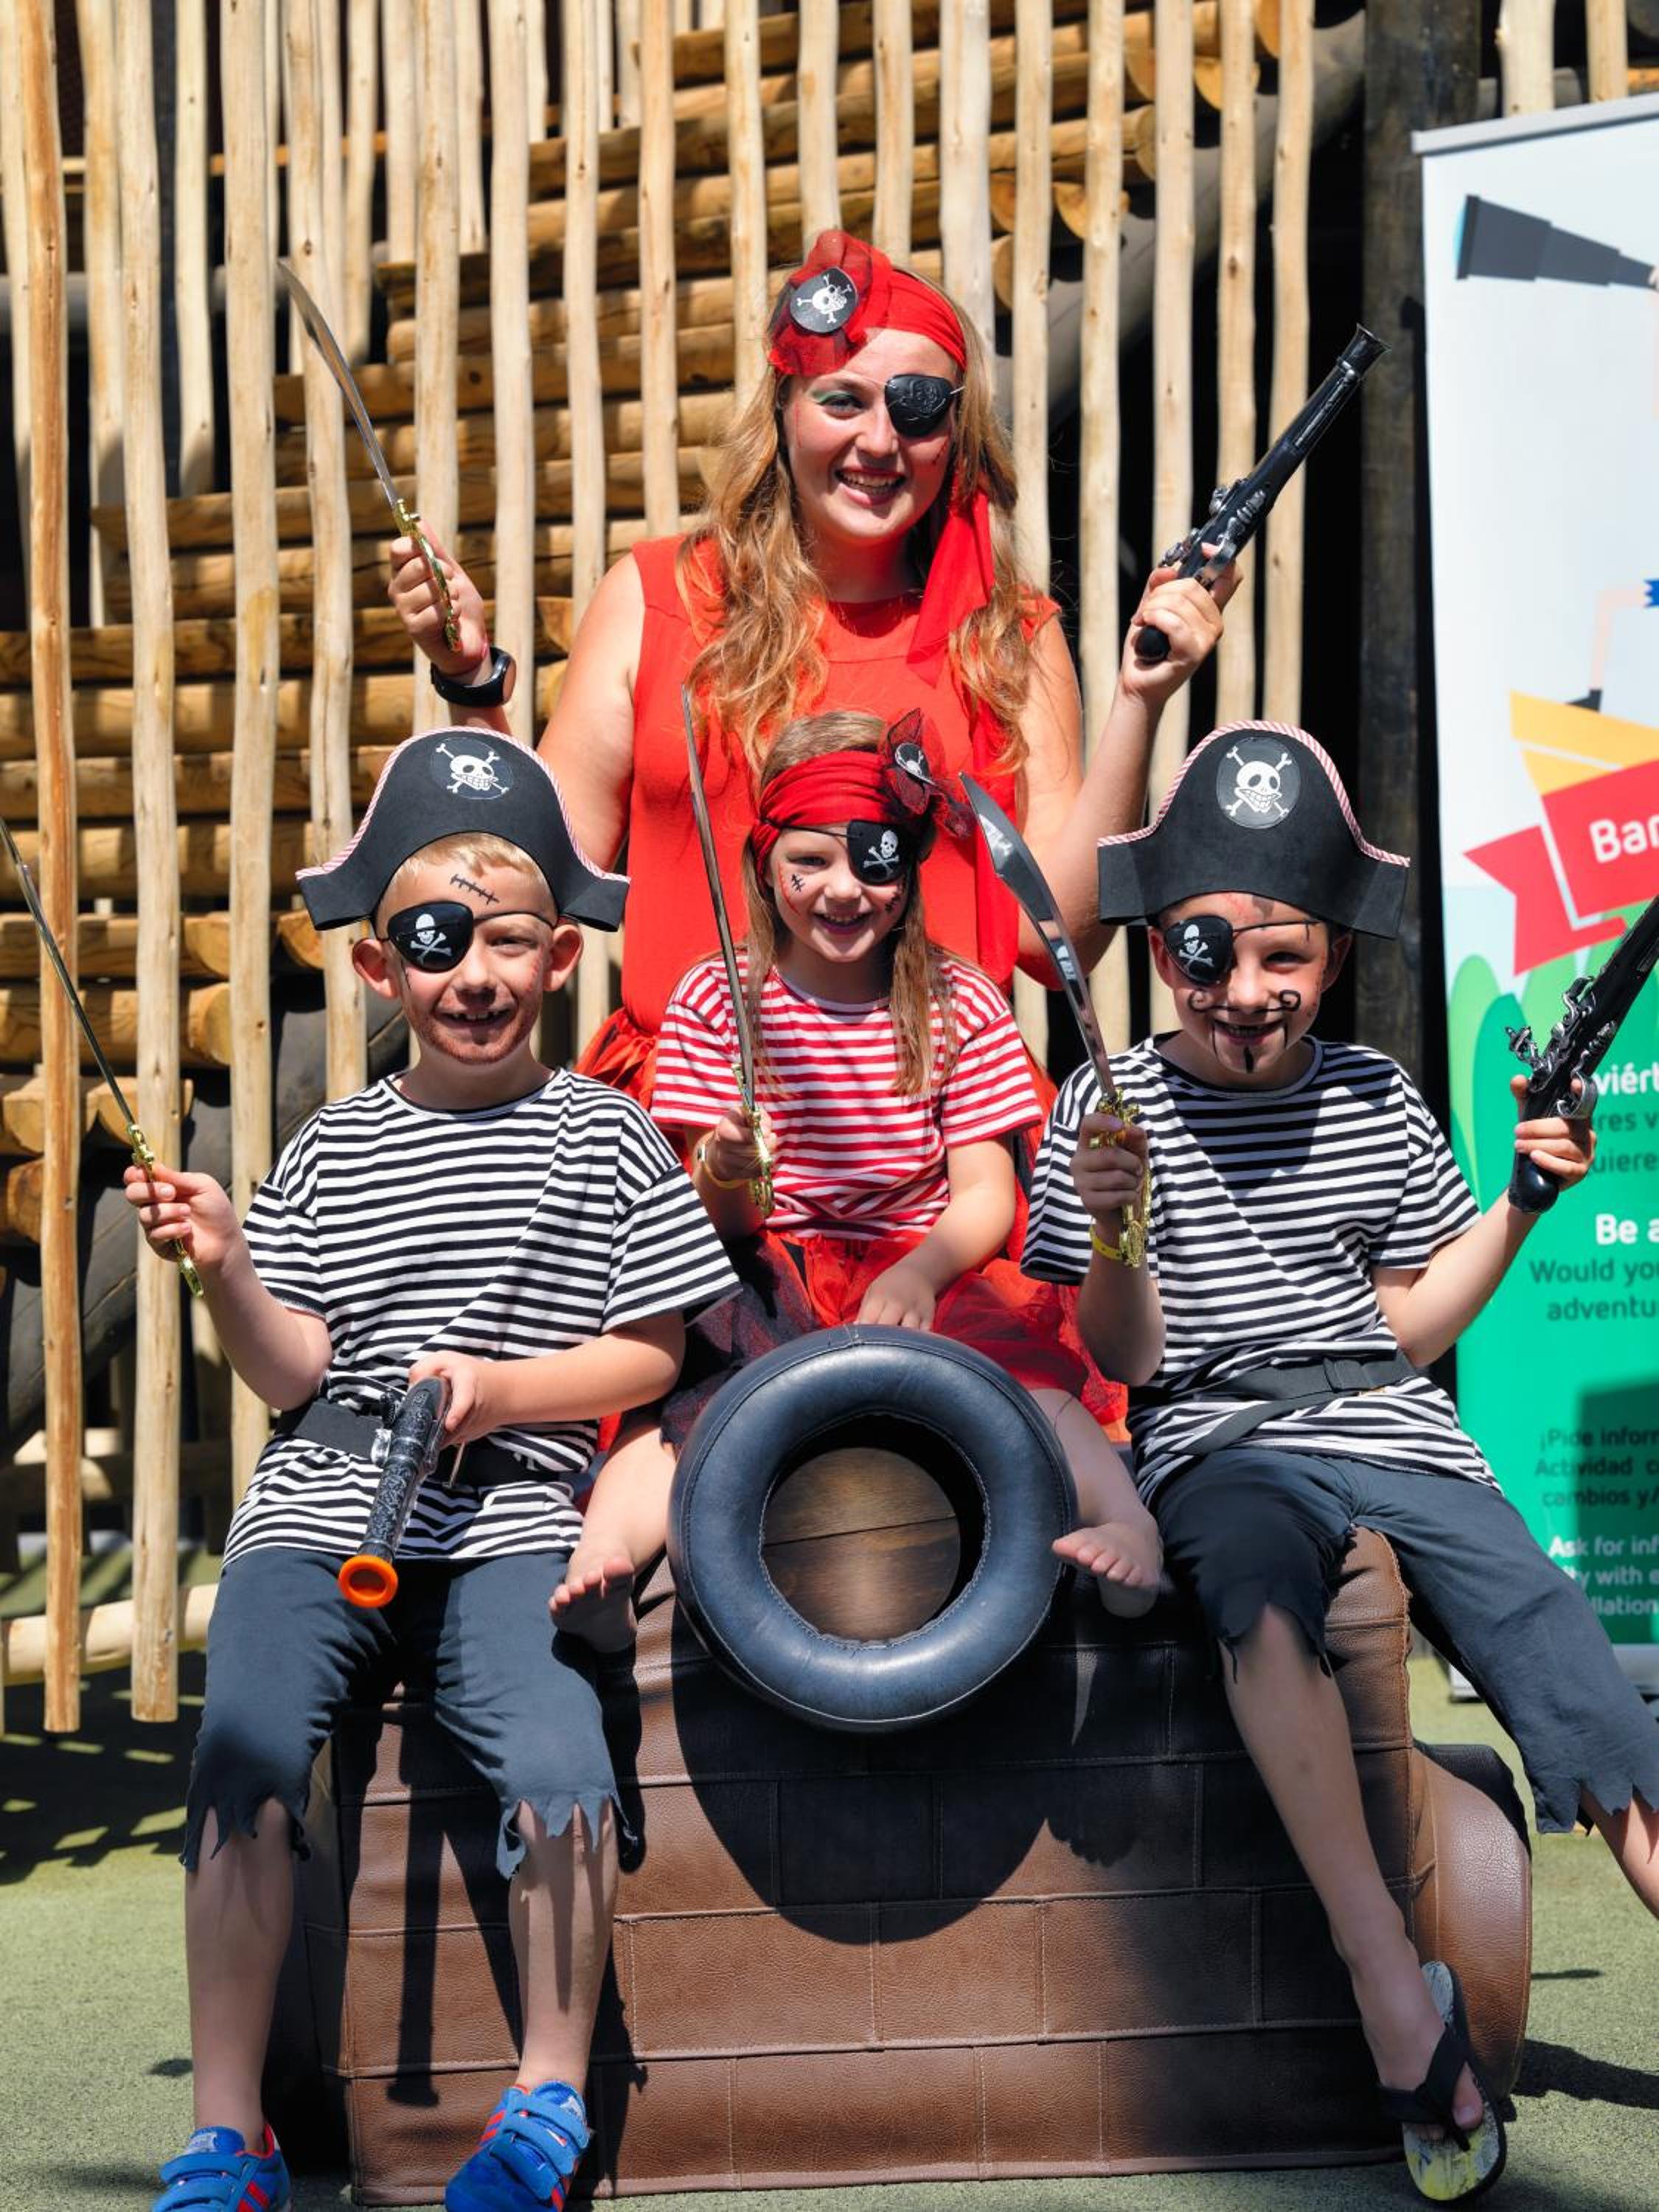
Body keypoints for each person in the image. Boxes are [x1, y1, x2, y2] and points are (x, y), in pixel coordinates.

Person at [1020, 719, 1659, 2203]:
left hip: (1392, 1421)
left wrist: (1521, 1202)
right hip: (1220, 1429)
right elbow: (1126, 1358)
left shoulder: (1374, 1094)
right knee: (1255, 1600)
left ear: (1334, 954)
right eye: (1206, 953)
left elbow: (1410, 1323)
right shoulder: (1106, 1108)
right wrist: (1116, 1223)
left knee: (1562, 1648)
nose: (1245, 991)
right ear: (1159, 950)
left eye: (1285, 956)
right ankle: (1386, 1979)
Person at [129, 731, 737, 2212]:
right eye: (434, 941)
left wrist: (499, 1390)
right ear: (378, 969)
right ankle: (229, 2129)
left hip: (514, 1511)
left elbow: (651, 1353)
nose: (473, 973)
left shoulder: (609, 1137)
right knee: (245, 1754)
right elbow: (293, 1372)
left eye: (508, 938)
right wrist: (224, 1268)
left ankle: (548, 2098)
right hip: (318, 1507)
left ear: (560, 958)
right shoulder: (330, 1148)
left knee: (561, 1761)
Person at [386, 229, 1232, 1099]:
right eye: (842, 401)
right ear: (785, 409)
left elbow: (1052, 941)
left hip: (923, 1132)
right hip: (692, 1118)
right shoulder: (655, 598)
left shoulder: (1006, 635)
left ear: (956, 432)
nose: (880, 441)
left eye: (916, 407)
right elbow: (534, 878)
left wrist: (1141, 700)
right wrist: (472, 682)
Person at [551, 711, 1160, 1653]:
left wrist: (922, 1271)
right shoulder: (718, 998)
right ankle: (609, 1559)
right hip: (761, 1260)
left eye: (874, 861)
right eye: (812, 861)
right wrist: (725, 1172)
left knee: (1028, 1380)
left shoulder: (957, 999)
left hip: (923, 1258)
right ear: (765, 865)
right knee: (679, 1402)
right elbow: (717, 1219)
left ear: (907, 871)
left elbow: (986, 1194)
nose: (844, 889)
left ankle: (1126, 1523)